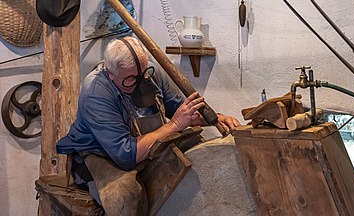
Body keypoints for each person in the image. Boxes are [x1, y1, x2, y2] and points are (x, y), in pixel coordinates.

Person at [56, 36, 240, 213]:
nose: (140, 83)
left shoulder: (149, 73)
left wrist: (214, 118)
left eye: (143, 73)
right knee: (126, 197)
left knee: (200, 155)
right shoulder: (96, 92)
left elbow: (179, 110)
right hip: (101, 153)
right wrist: (175, 124)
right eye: (130, 80)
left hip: (144, 145)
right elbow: (125, 154)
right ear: (111, 74)